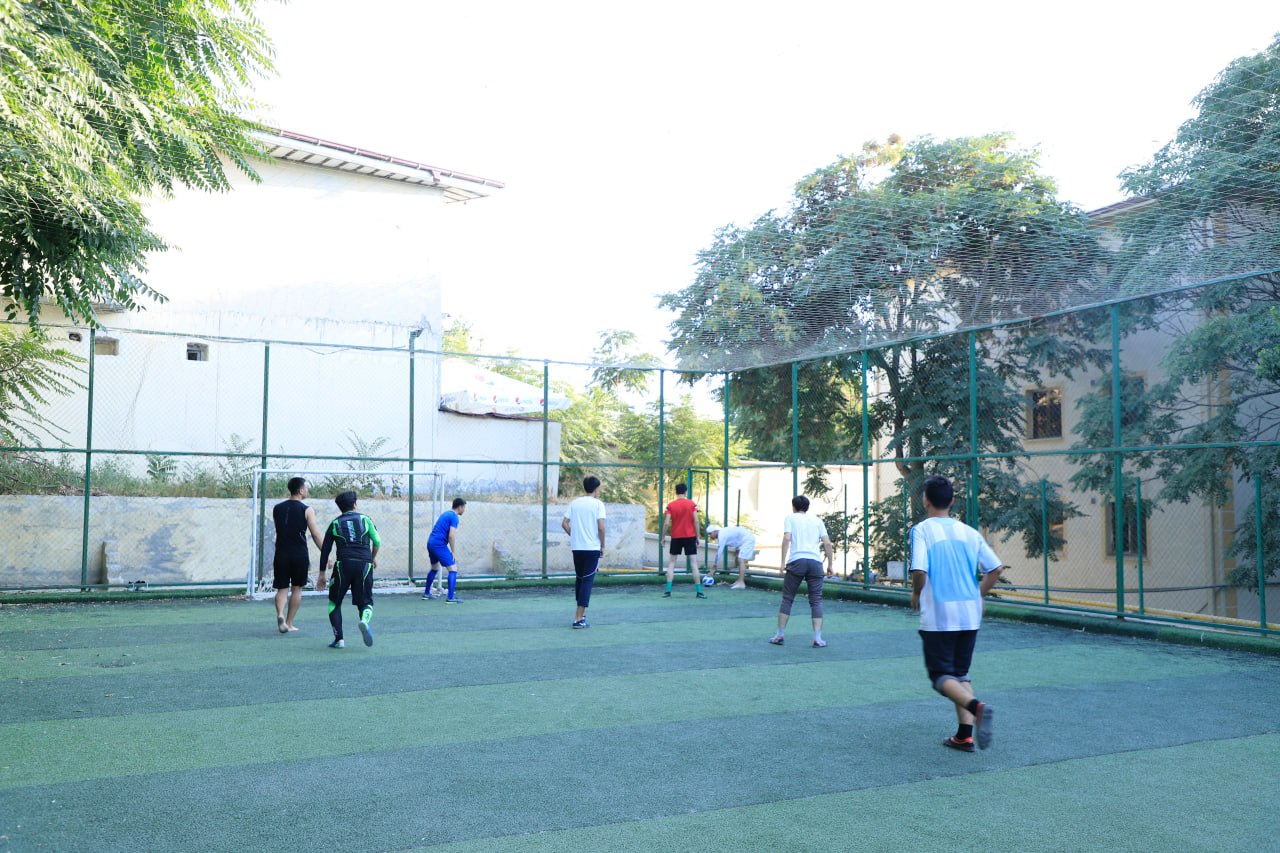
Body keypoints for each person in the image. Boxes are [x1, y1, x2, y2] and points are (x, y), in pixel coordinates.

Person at [910, 474, 1003, 752]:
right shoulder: (969, 532)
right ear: (952, 501)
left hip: (940, 614)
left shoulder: (922, 530)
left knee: (941, 677)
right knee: (960, 674)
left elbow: (919, 570)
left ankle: (977, 707)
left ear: (925, 500)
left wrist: (916, 593)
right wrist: (978, 594)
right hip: (970, 614)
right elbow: (996, 569)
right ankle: (965, 736)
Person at [317, 490, 381, 649]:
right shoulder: (365, 519)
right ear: (354, 504)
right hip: (364, 565)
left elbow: (325, 550)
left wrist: (322, 574)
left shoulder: (335, 523)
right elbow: (377, 541)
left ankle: (339, 640)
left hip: (343, 565)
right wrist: (372, 558)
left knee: (334, 602)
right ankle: (364, 621)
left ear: (340, 507)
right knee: (366, 602)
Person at [769, 495, 834, 648]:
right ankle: (818, 638)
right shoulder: (817, 521)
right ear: (807, 507)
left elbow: (787, 538)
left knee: (788, 598)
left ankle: (780, 635)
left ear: (793, 507)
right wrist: (830, 564)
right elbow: (827, 543)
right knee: (816, 600)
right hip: (815, 562)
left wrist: (782, 562)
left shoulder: (790, 518)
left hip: (796, 561)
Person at [271, 476, 325, 633]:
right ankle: (289, 623)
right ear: (301, 490)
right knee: (297, 589)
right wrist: (325, 553)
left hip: (281, 553)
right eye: (306, 487)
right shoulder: (307, 509)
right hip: (299, 554)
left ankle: (280, 615)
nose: (307, 490)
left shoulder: (277, 508)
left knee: (282, 588)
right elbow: (315, 534)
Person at [561, 475, 606, 629]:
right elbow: (601, 527)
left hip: (577, 548)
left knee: (580, 580)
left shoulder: (575, 503)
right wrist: (603, 545)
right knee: (587, 581)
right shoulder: (598, 504)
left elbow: (564, 523)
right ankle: (578, 619)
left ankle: (582, 615)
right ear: (596, 489)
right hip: (591, 548)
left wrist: (574, 535)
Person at [663, 482, 706, 598]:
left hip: (676, 537)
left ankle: (668, 591)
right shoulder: (692, 504)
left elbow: (666, 523)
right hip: (690, 537)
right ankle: (699, 592)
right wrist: (698, 536)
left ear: (676, 492)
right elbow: (696, 520)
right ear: (685, 492)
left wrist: (663, 537)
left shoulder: (670, 505)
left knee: (672, 563)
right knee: (694, 564)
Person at [424, 498, 467, 602]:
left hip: (431, 542)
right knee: (453, 569)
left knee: (434, 568)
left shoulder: (445, 514)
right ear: (460, 507)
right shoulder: (454, 517)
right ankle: (450, 598)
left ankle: (426, 594)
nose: (464, 510)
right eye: (464, 507)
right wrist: (453, 551)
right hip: (439, 545)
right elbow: (451, 536)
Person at [706, 524, 756, 590]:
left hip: (747, 540)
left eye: (710, 533)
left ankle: (741, 582)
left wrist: (714, 567)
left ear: (715, 531)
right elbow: (736, 536)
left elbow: (719, 552)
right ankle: (739, 580)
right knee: (739, 558)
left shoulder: (722, 535)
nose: (709, 536)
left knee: (741, 559)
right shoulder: (722, 533)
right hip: (743, 541)